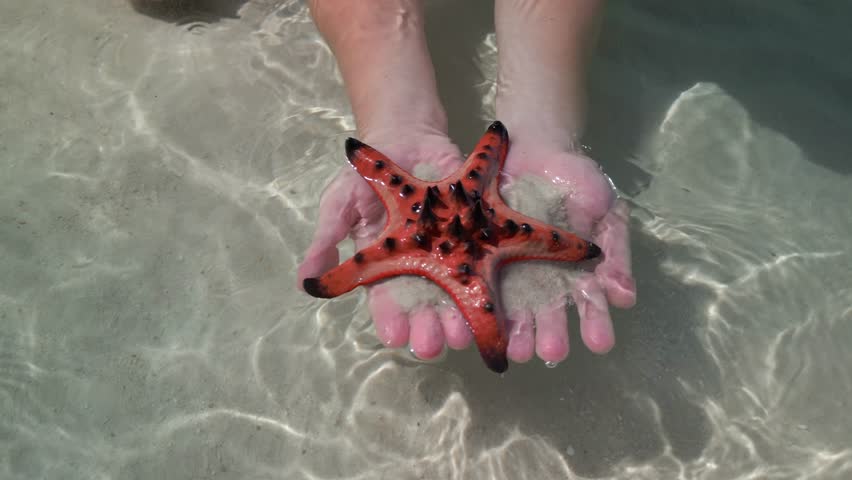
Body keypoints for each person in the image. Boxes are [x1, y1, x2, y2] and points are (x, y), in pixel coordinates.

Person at [298, 0, 636, 367]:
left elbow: (396, 171)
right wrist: (394, 122)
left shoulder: (421, 222)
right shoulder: (485, 221)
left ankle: (537, 107)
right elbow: (382, 168)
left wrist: (542, 123)